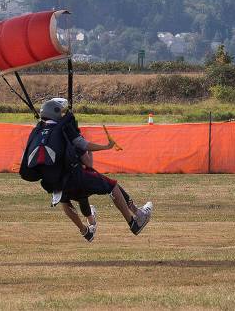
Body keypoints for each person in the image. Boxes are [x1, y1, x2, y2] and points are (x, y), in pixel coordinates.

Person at [20, 98, 153, 242]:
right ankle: (134, 223)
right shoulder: (64, 130)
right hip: (75, 177)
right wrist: (105, 147)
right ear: (56, 112)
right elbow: (86, 155)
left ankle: (85, 231)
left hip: (52, 182)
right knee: (112, 186)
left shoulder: (37, 132)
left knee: (65, 199)